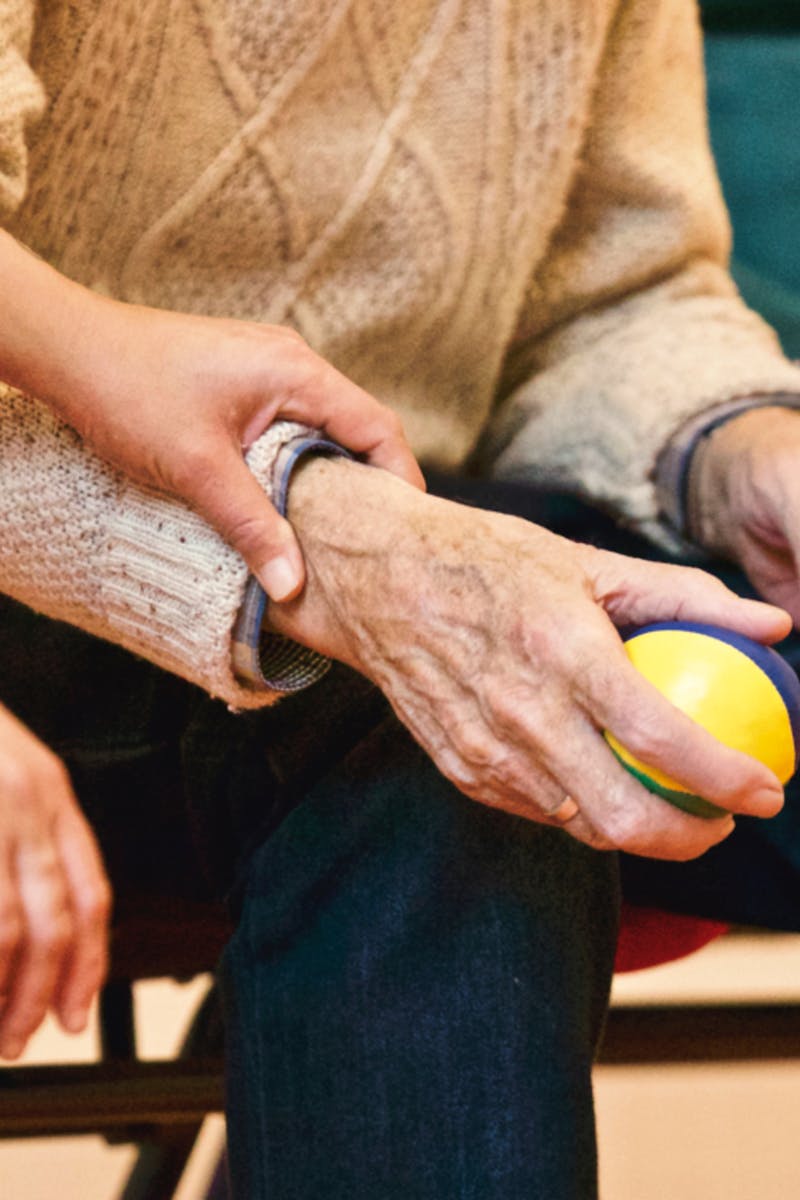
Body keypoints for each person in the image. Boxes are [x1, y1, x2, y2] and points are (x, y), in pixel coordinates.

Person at [3, 1, 800, 1195]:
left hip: (437, 530)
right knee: (453, 715)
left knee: (479, 654)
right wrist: (349, 552)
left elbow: (609, 293)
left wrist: (735, 450)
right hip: (53, 560)